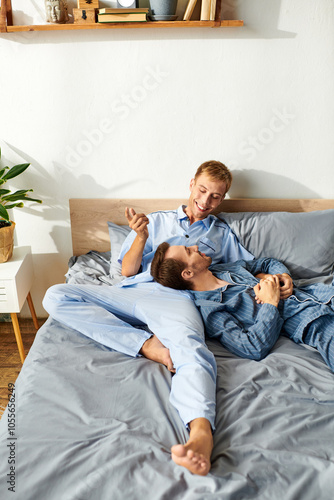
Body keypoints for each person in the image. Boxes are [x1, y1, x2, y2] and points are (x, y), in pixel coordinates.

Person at [43, 160, 252, 476]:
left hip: (179, 298)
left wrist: (274, 275)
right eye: (203, 190)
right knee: (56, 295)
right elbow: (126, 271)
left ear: (223, 199)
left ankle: (200, 434)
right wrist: (139, 236)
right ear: (192, 183)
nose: (207, 201)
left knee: (191, 349)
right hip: (134, 288)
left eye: (216, 196)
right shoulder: (156, 222)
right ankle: (145, 345)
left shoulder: (221, 234)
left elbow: (246, 271)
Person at [150, 243, 334, 372]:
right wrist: (270, 303)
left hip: (325, 293)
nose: (196, 247)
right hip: (317, 324)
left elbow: (266, 262)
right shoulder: (210, 310)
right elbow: (251, 348)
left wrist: (283, 275)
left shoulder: (224, 269)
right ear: (188, 273)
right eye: (189, 251)